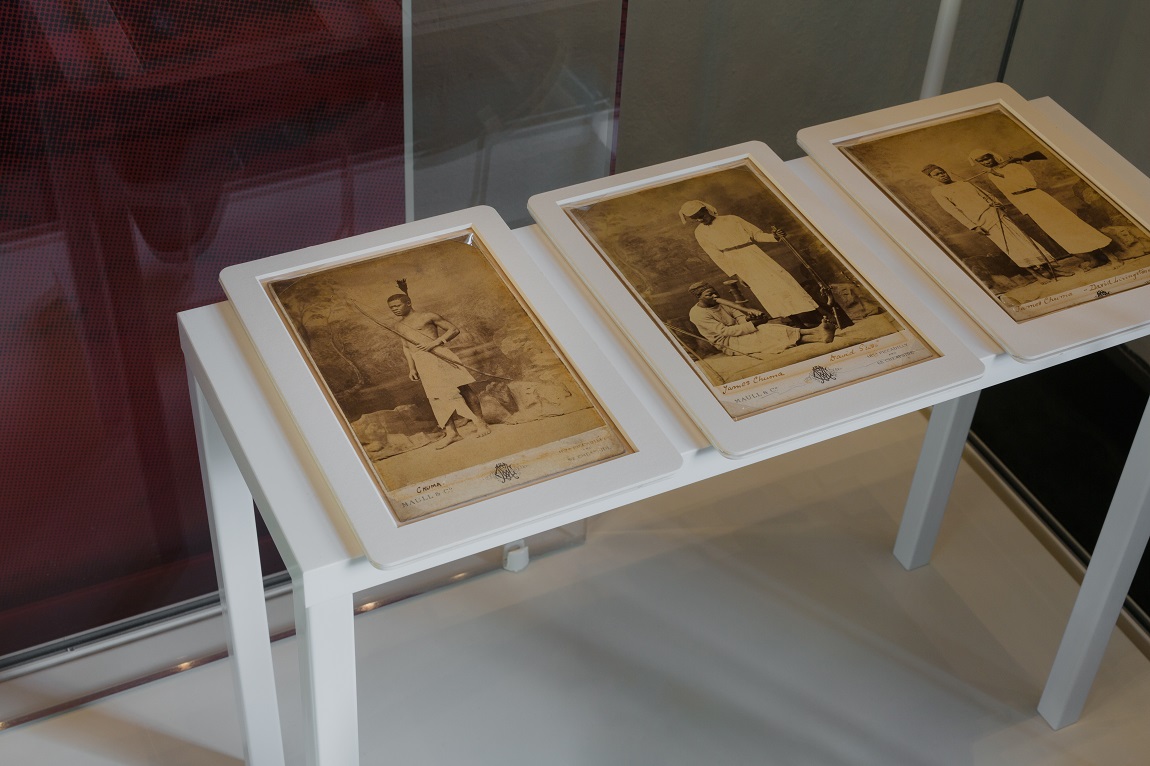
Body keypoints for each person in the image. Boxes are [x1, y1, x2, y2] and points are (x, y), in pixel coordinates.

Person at [679, 200, 820, 324]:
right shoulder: (700, 232)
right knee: (766, 292)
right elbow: (716, 256)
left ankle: (818, 318)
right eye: (696, 219)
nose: (700, 220)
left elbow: (756, 235)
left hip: (754, 255)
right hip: (738, 264)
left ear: (706, 210)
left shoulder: (732, 219)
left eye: (701, 216)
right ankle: (798, 323)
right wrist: (736, 274)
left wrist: (774, 237)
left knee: (784, 284)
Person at [968, 149, 1112, 268]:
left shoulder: (1013, 167)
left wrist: (1002, 174)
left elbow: (1029, 183)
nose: (986, 162)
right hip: (1028, 204)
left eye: (987, 158)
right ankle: (1093, 258)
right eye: (982, 161)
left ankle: (1110, 256)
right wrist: (1023, 208)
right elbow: (1008, 193)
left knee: (1070, 225)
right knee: (1056, 232)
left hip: (1038, 198)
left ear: (993, 156)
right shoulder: (991, 176)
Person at [921, 163, 1064, 282]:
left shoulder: (963, 183)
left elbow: (986, 194)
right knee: (1010, 247)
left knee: (1024, 240)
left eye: (942, 172)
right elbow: (952, 210)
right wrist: (973, 226)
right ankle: (1037, 275)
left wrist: (998, 204)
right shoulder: (938, 192)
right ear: (931, 178)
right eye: (937, 175)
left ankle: (1052, 269)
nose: (942, 175)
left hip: (996, 213)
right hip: (982, 221)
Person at [387, 292, 490, 450]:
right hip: (422, 362)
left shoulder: (428, 316)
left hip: (440, 355)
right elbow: (406, 347)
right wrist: (412, 367)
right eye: (391, 307)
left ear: (408, 303)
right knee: (436, 397)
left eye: (397, 305)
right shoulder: (398, 326)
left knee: (462, 388)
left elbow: (453, 330)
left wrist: (435, 343)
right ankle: (452, 433)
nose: (395, 309)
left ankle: (481, 423)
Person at [686, 282, 833, 358]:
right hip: (728, 342)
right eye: (708, 295)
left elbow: (737, 315)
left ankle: (817, 332)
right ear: (699, 297)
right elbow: (725, 332)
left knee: (769, 328)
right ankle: (818, 337)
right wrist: (752, 325)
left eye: (714, 292)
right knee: (765, 336)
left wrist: (748, 319)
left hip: (740, 331)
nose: (714, 296)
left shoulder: (719, 302)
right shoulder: (697, 314)